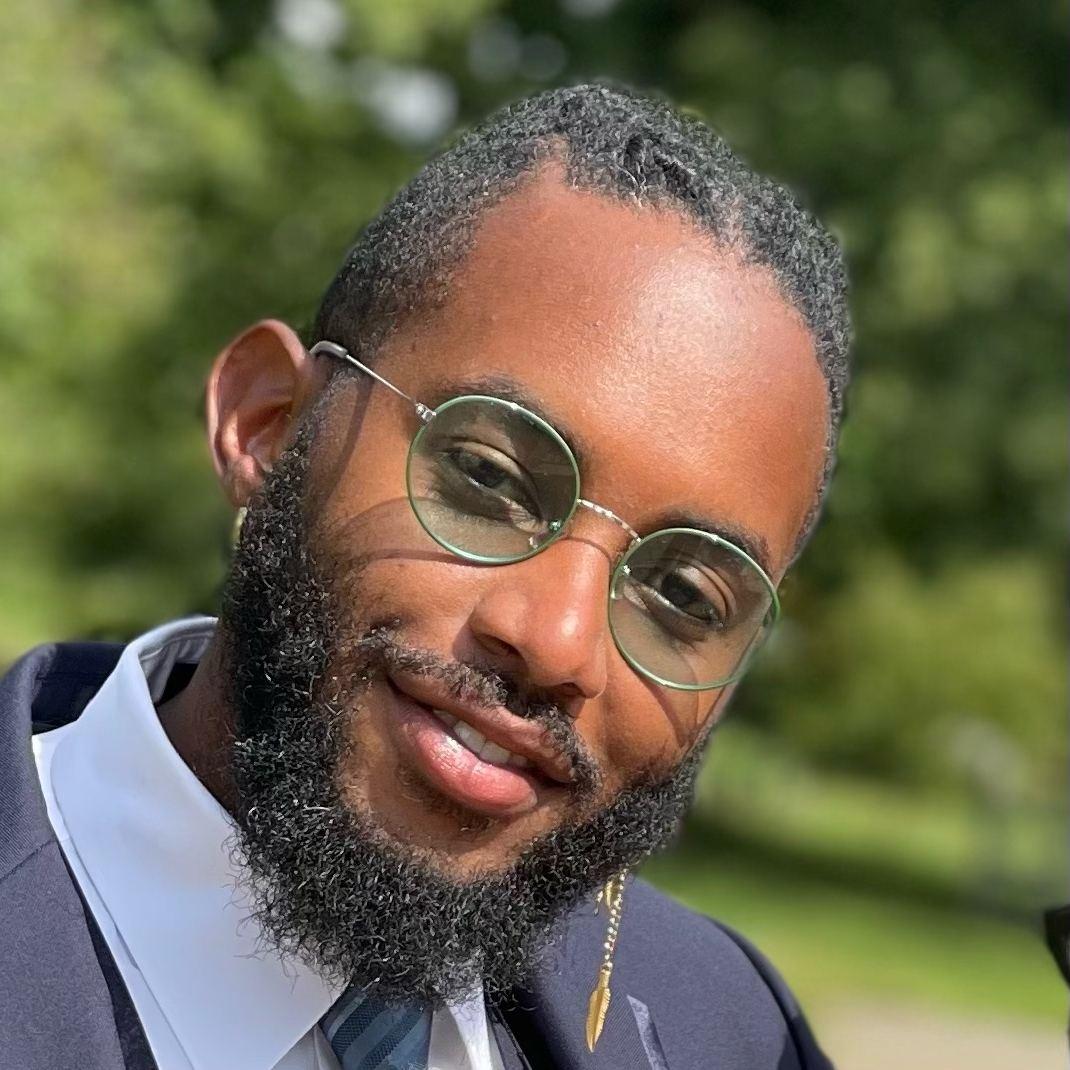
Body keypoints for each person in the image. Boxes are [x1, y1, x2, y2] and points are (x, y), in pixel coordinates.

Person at [0, 84, 850, 1070]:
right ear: (267, 425)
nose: (560, 642)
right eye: (489, 479)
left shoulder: (731, 1031)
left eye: (685, 594)